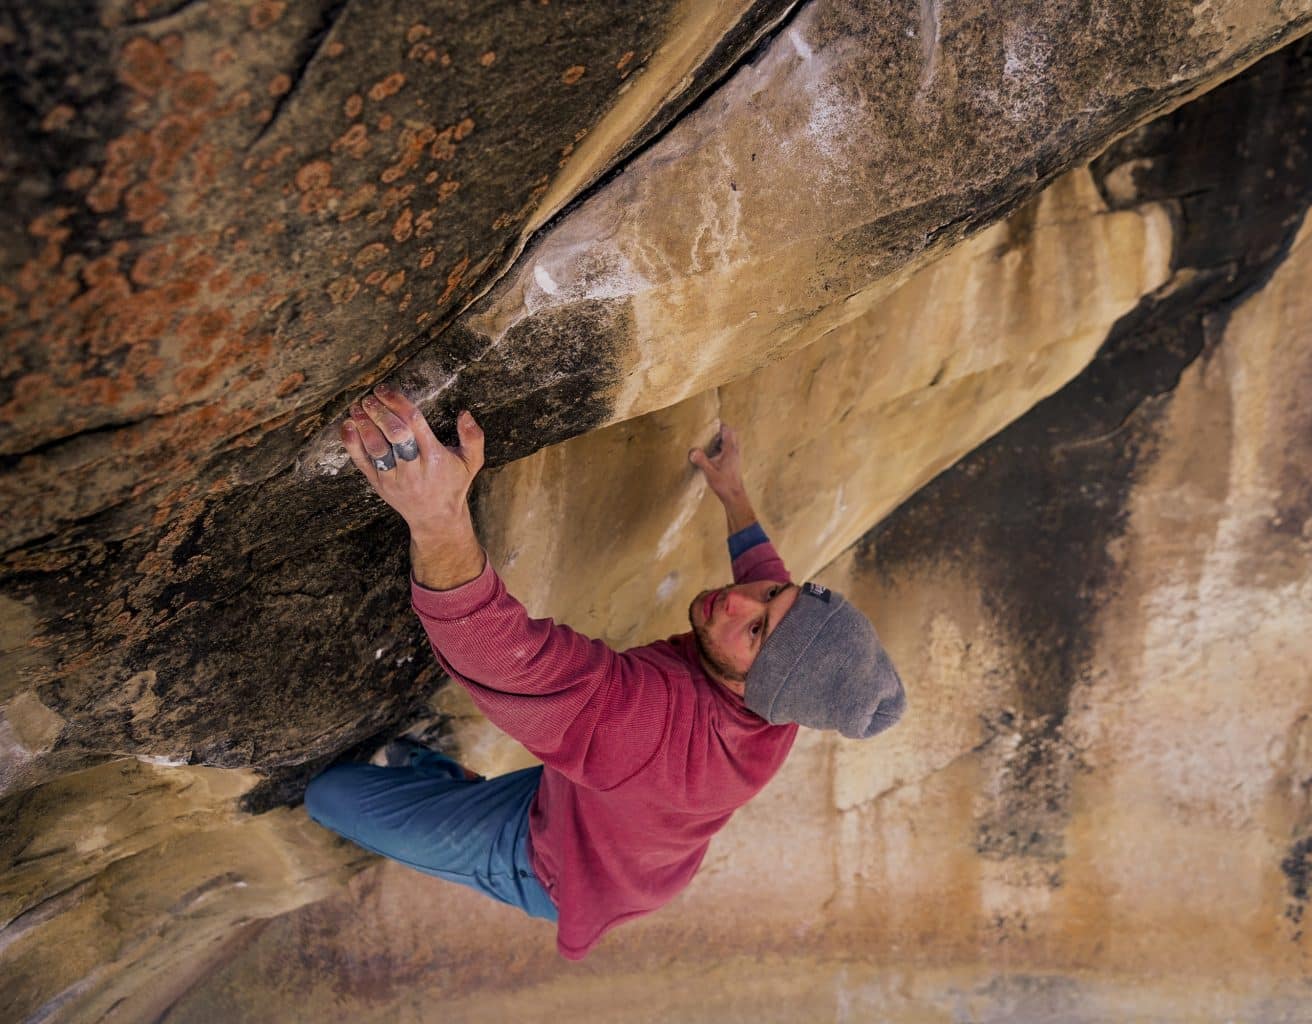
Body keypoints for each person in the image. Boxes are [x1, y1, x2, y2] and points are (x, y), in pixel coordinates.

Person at [305, 384, 905, 961]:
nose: (738, 601)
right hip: (604, 812)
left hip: (553, 860)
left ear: (760, 688)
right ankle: (435, 772)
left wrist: (437, 519)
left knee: (330, 795)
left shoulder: (649, 731)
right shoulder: (788, 690)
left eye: (756, 630)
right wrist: (733, 495)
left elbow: (505, 659)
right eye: (772, 594)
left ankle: (442, 773)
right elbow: (770, 585)